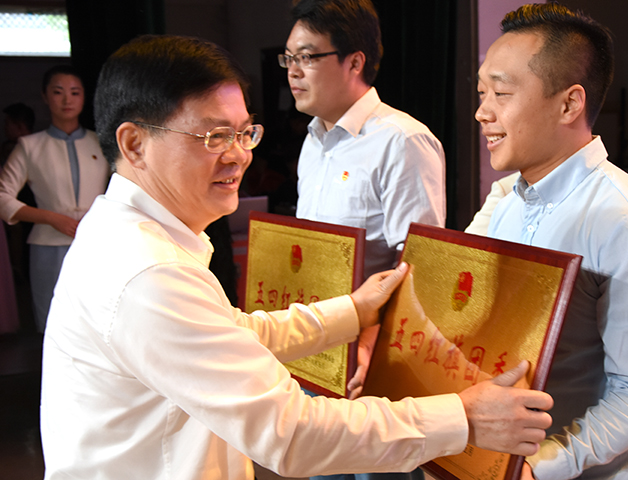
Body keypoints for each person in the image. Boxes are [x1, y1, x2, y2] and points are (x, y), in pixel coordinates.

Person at [39, 34, 553, 480]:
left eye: (244, 133)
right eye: (214, 136)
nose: (239, 155)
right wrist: (464, 417)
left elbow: (231, 336)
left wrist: (353, 311)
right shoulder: (150, 271)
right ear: (134, 144)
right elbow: (289, 432)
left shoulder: (124, 234)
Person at [471, 4, 628, 480]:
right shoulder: (507, 204)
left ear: (569, 104)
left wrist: (540, 468)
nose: (482, 112)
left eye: (501, 93)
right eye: (482, 93)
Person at [282, 4, 446, 456]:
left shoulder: (401, 140)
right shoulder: (313, 142)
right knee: (320, 464)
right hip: (317, 341)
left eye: (307, 57)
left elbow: (420, 262)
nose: (293, 71)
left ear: (354, 61)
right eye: (288, 58)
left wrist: (374, 343)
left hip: (368, 355)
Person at [0, 66, 110, 332]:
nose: (67, 100)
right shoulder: (29, 146)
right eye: (58, 92)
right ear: (45, 96)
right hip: (48, 246)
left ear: (84, 97)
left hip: (96, 243)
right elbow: (3, 196)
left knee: (99, 321)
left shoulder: (102, 144)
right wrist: (51, 218)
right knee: (54, 323)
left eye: (75, 92)